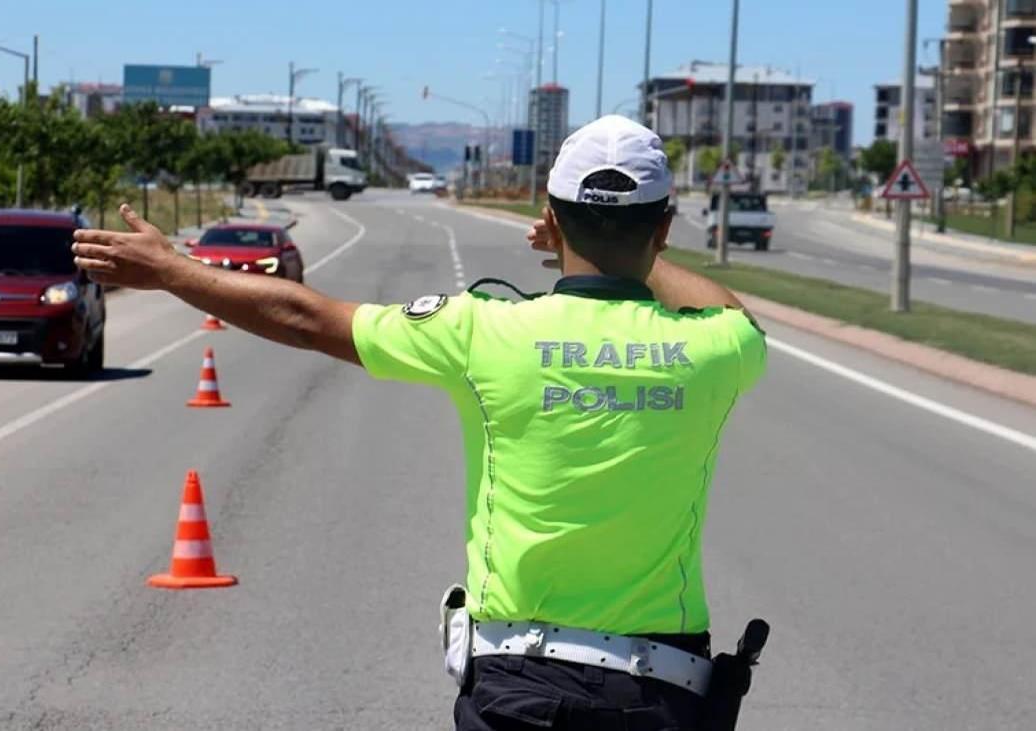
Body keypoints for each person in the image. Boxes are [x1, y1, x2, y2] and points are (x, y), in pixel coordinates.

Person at [72, 115, 766, 730]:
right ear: (665, 226)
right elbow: (732, 311)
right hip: (661, 694)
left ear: (551, 219)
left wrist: (174, 270)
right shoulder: (715, 347)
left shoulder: (482, 331)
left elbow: (308, 319)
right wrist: (643, 254)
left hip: (519, 689)